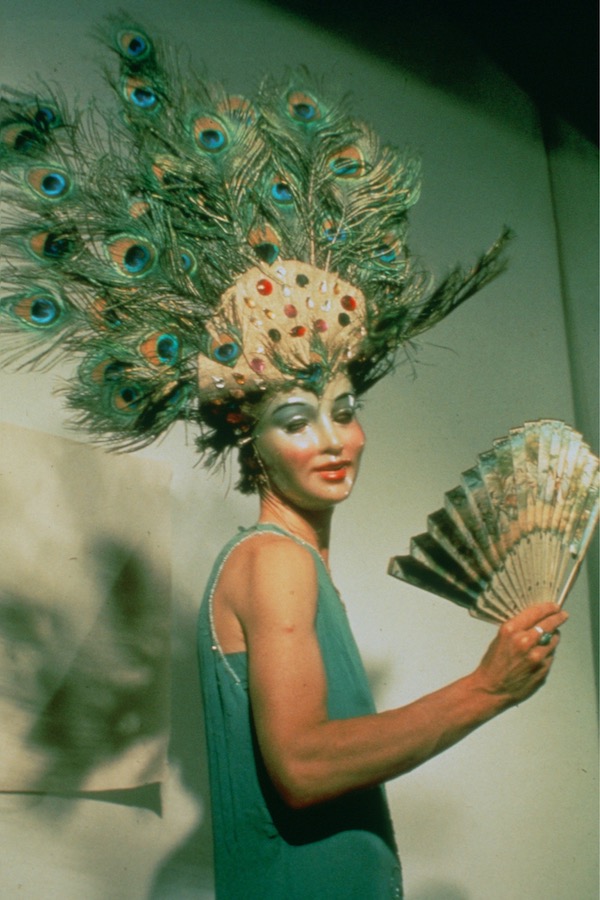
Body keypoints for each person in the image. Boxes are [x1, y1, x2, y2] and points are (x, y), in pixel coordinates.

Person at [196, 372, 567, 899]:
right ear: (251, 444)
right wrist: (487, 689)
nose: (332, 440)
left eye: (344, 413)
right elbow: (304, 765)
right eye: (297, 423)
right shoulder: (275, 560)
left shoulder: (295, 564)